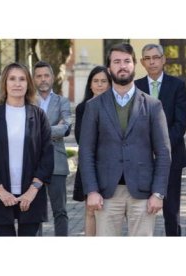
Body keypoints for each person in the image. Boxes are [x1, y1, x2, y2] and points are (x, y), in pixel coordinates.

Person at [79, 43, 171, 236]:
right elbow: (86, 152)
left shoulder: (153, 105)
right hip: (106, 193)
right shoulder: (94, 106)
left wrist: (158, 193)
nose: (122, 66)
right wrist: (92, 190)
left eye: (127, 61)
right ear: (109, 67)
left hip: (143, 193)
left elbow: (163, 152)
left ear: (134, 65)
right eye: (117, 61)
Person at [0, 62, 54, 236]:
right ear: (4, 83)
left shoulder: (39, 115)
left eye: (22, 79)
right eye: (12, 79)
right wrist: (0, 190)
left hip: (31, 195)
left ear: (28, 84)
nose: (17, 83)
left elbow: (47, 157)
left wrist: (32, 191)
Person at [135, 43, 186, 236]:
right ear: (142, 62)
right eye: (148, 58)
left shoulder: (177, 85)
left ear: (163, 59)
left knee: (171, 212)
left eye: (156, 57)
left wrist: (161, 148)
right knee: (141, 211)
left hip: (172, 157)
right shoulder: (135, 87)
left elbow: (180, 123)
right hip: (141, 159)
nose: (152, 62)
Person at [33, 60, 71, 236]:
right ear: (34, 79)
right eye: (39, 76)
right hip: (33, 163)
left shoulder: (63, 101)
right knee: (35, 213)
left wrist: (37, 130)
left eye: (46, 75)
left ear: (53, 77)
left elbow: (66, 128)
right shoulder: (28, 100)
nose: (43, 79)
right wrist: (52, 129)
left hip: (57, 161)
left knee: (60, 210)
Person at [73, 65, 112, 236]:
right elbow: (80, 138)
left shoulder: (115, 107)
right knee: (90, 210)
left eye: (104, 81)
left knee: (109, 212)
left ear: (110, 84)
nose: (100, 85)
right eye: (96, 81)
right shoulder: (82, 108)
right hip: (89, 164)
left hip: (110, 165)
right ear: (90, 85)